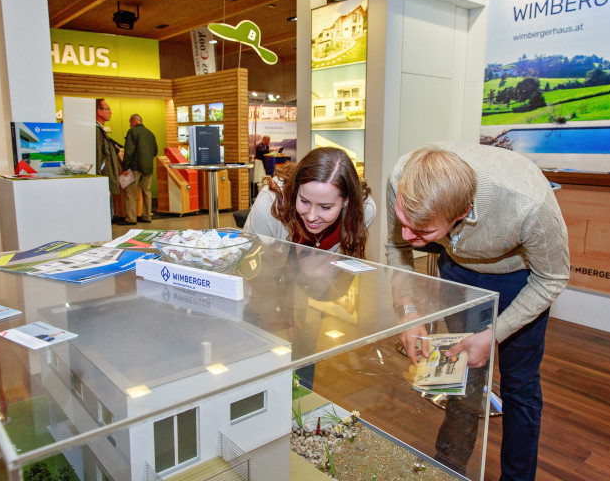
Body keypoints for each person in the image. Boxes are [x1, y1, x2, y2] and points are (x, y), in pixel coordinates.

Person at [385, 143, 569, 481]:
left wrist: (493, 334)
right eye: (403, 221)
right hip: (457, 268)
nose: (409, 236)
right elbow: (396, 248)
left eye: (422, 231)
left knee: (520, 386)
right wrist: (407, 312)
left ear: (463, 213)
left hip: (520, 278)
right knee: (462, 374)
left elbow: (553, 277)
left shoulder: (528, 202)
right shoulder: (401, 177)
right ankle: (448, 469)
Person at [244, 147, 376, 258]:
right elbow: (253, 268)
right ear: (296, 190)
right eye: (304, 201)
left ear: (346, 200)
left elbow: (343, 274)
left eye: (325, 207)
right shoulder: (269, 202)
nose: (311, 217)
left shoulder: (364, 209)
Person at [121, 114, 158, 225]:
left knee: (130, 192)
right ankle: (147, 216)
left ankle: (131, 218)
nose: (130, 125)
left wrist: (125, 167)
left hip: (135, 167)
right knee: (147, 192)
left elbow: (128, 151)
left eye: (130, 122)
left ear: (134, 121)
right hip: (148, 167)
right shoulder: (150, 133)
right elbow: (155, 151)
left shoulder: (132, 132)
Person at [95, 99, 123, 220]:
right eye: (108, 109)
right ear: (99, 112)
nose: (110, 112)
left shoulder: (101, 131)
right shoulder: (96, 131)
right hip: (102, 180)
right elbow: (98, 156)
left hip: (106, 179)